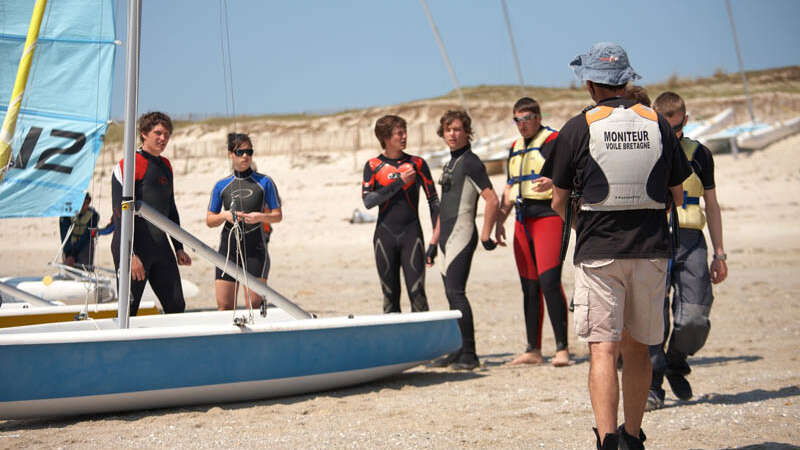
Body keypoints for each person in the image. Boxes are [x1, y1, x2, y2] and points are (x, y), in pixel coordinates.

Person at [549, 43, 690, 450]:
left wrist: (581, 225)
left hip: (599, 252)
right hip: (649, 250)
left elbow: (558, 199)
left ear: (590, 83)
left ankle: (607, 440)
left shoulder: (578, 127)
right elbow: (677, 195)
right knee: (640, 350)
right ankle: (633, 437)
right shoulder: (657, 122)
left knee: (603, 352)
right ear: (627, 80)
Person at [646, 92, 728, 411]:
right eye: (665, 129)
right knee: (653, 316)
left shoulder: (700, 154)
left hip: (691, 239)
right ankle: (653, 384)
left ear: (686, 121)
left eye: (676, 129)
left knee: (694, 315)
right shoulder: (645, 152)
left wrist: (719, 253)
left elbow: (712, 203)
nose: (671, 136)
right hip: (652, 238)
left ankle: (676, 360)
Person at [494, 97, 570, 367]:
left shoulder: (552, 141)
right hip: (522, 220)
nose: (522, 124)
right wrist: (499, 220)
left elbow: (572, 173)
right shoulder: (514, 148)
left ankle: (562, 349)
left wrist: (553, 180)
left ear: (538, 117)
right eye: (518, 119)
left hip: (548, 217)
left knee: (549, 282)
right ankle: (533, 350)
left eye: (527, 118)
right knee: (529, 287)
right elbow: (509, 187)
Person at [426, 110, 499, 371]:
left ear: (467, 132)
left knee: (457, 293)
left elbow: (492, 198)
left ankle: (470, 353)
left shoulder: (471, 162)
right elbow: (444, 206)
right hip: (446, 236)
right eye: (448, 130)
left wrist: (486, 233)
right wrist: (433, 242)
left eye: (457, 129)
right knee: (450, 295)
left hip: (462, 233)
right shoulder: (450, 163)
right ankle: (458, 350)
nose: (452, 134)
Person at [111, 111, 192, 316]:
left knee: (176, 306)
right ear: (144, 133)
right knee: (128, 311)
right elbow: (120, 215)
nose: (163, 138)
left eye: (167, 134)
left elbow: (170, 208)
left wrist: (179, 247)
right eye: (158, 133)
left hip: (160, 245)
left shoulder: (165, 166)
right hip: (133, 247)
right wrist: (129, 255)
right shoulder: (128, 165)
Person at [361, 115, 439, 313]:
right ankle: (394, 343)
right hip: (384, 237)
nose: (404, 137)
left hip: (412, 236)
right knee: (390, 296)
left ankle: (424, 343)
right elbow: (368, 201)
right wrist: (399, 183)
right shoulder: (373, 166)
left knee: (418, 294)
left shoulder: (417, 164)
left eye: (405, 132)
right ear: (386, 137)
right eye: (399, 133)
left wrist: (436, 240)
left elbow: (434, 202)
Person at [207, 133, 282, 311]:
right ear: (230, 154)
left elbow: (277, 215)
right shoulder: (221, 185)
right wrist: (225, 216)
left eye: (249, 152)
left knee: (254, 306)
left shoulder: (265, 182)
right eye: (240, 152)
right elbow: (209, 220)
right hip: (228, 249)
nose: (245, 156)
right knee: (224, 306)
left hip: (255, 248)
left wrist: (260, 217)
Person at [59, 193, 100, 267]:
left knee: (84, 267)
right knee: (68, 269)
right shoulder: (66, 215)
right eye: (80, 203)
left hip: (85, 246)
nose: (82, 207)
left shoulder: (93, 215)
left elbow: (87, 236)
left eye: (86, 203)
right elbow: (64, 235)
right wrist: (69, 254)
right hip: (69, 246)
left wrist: (73, 255)